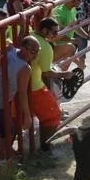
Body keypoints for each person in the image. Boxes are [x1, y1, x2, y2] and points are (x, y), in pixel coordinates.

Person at [31, 18, 73, 149]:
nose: (57, 35)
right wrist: (63, 74)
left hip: (22, 83)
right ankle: (45, 147)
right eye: (54, 33)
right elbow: (47, 73)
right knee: (53, 115)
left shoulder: (30, 34)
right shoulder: (45, 47)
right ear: (45, 31)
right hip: (35, 85)